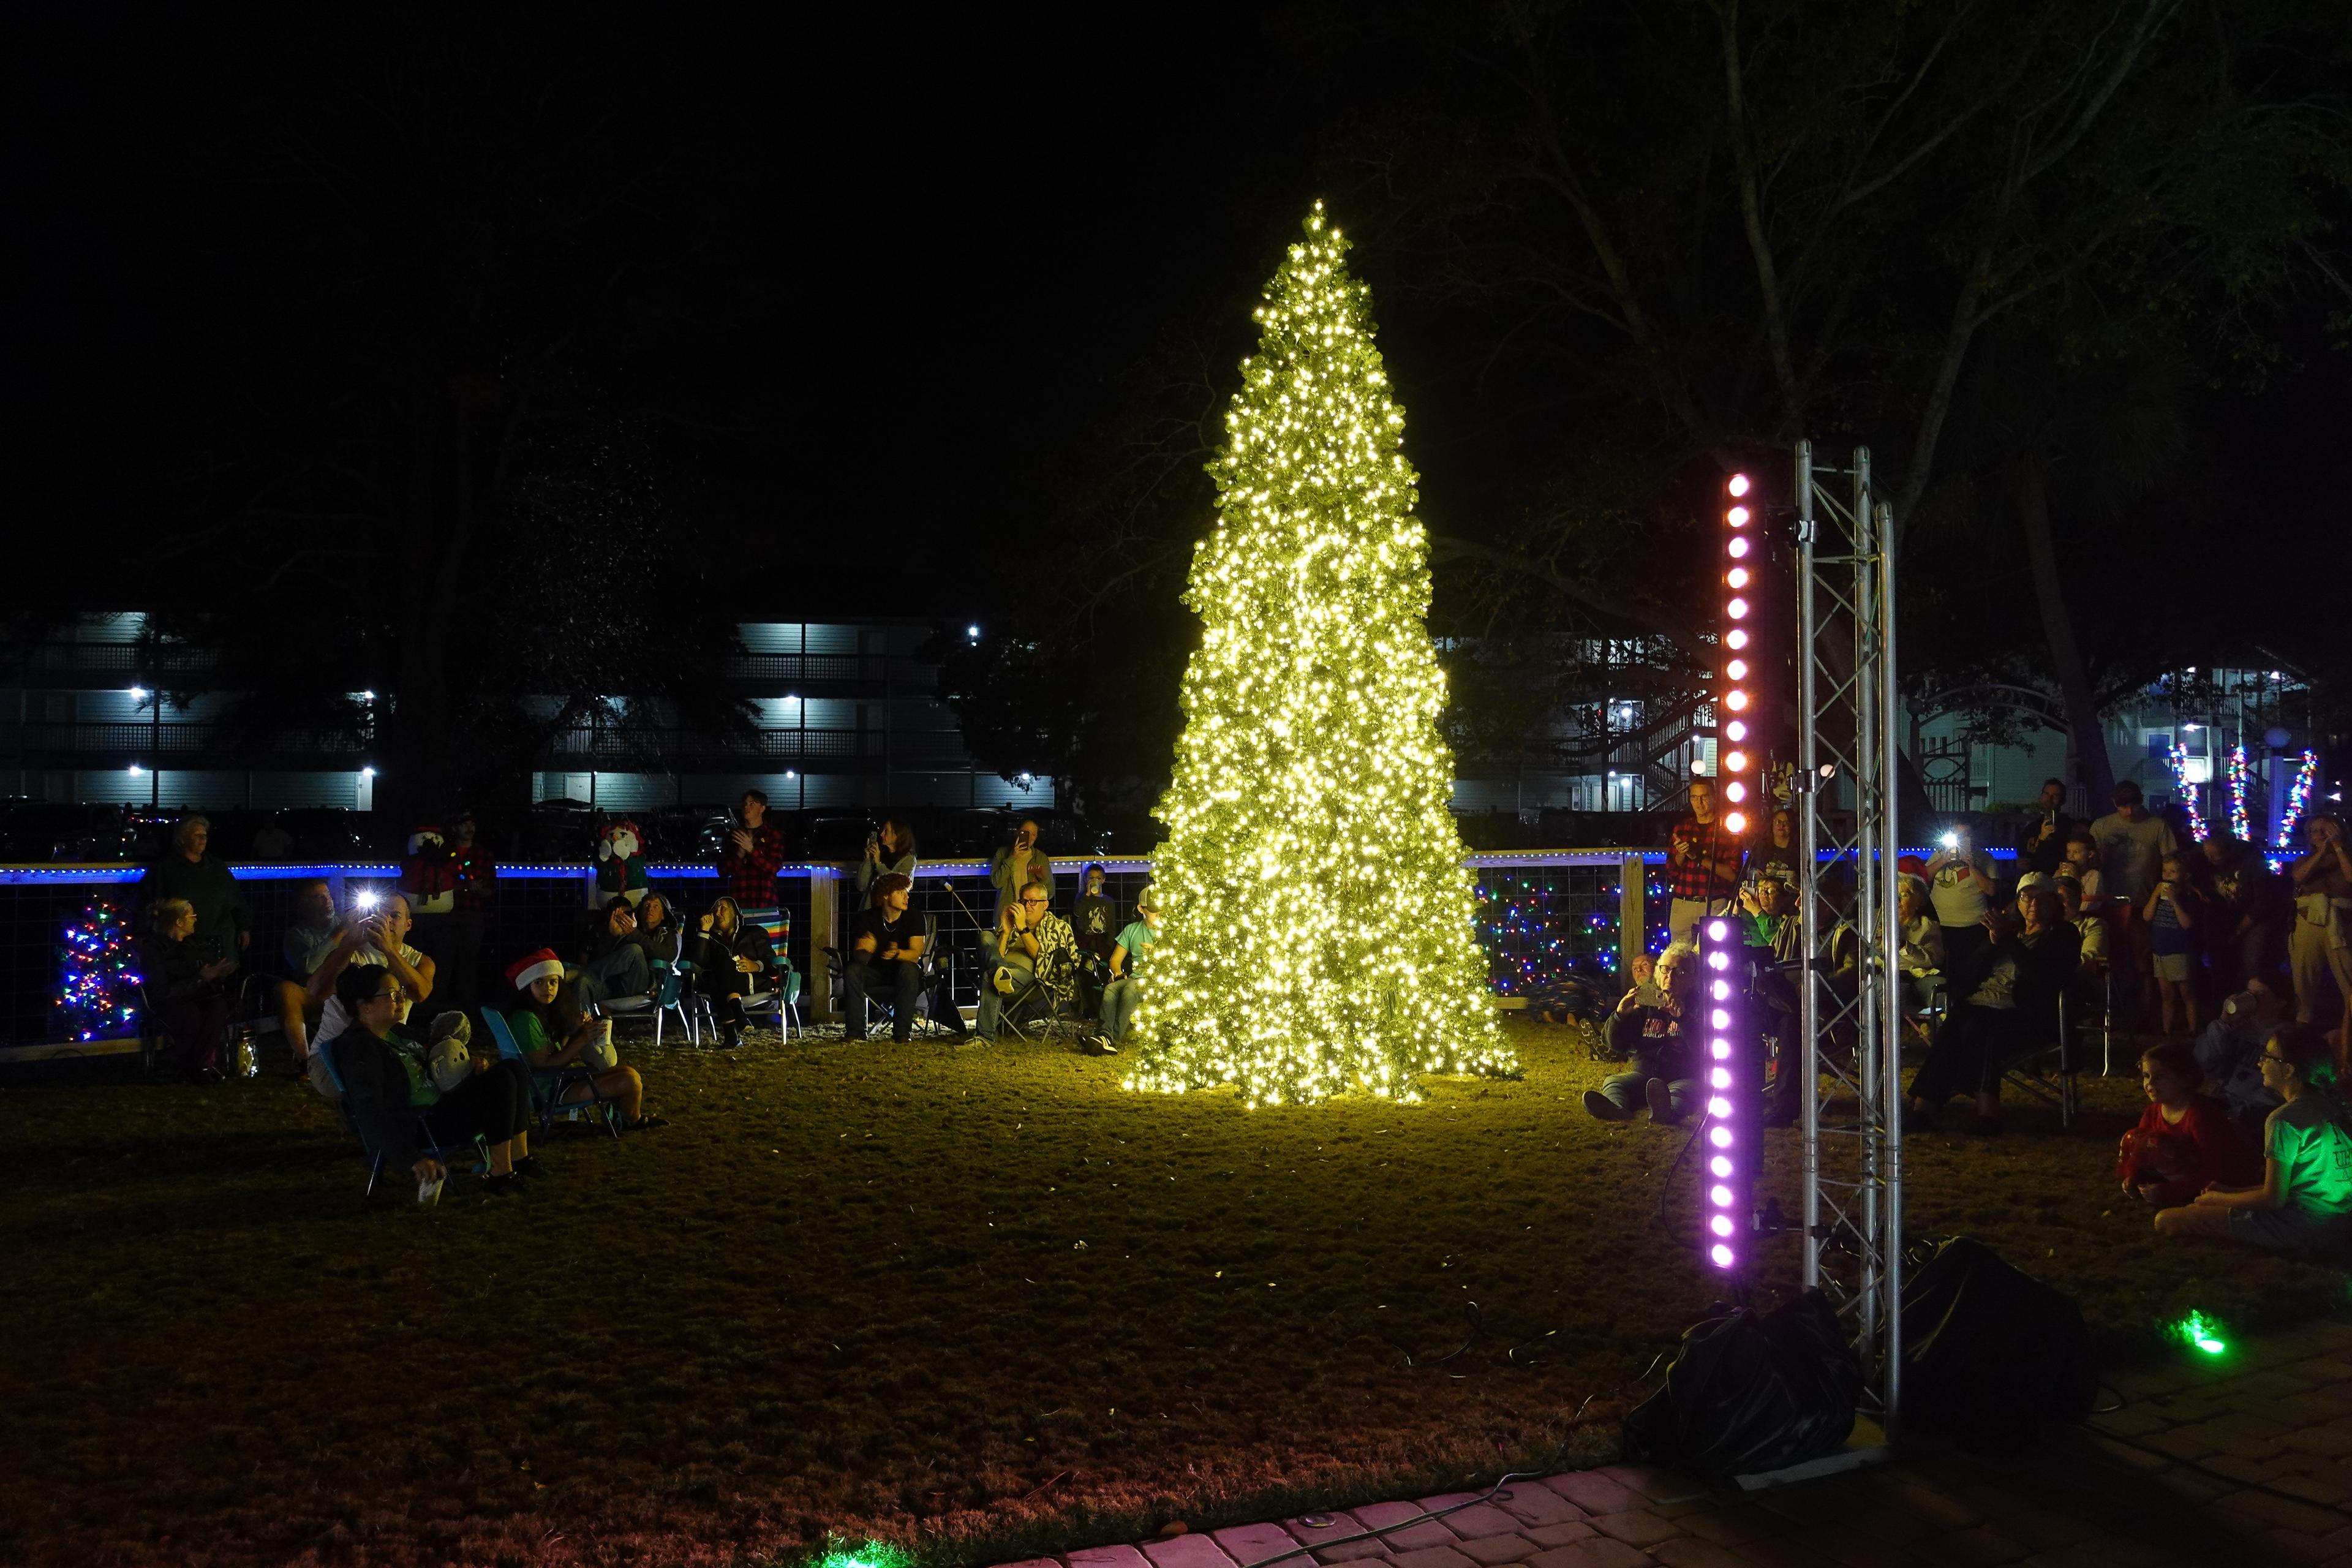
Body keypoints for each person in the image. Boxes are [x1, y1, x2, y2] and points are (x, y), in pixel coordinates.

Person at [315, 965, 537, 1192]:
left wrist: (468, 1064)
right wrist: (411, 1158)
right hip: (420, 1125)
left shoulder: (396, 1033)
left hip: (440, 1106)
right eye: (392, 995)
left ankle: (520, 1160)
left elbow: (434, 1059)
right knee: (501, 1082)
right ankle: (501, 1174)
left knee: (512, 1068)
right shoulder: (360, 1050)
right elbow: (368, 1109)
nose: (402, 998)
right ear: (365, 1006)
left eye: (400, 990)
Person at [2153, 1025, 2352, 1251]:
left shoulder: (2284, 1121)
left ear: (2288, 1070)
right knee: (2200, 1205)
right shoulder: (2334, 1107)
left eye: (2267, 1057)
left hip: (2299, 1227)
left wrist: (2220, 1199)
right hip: (2340, 1222)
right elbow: (2291, 1187)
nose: (2260, 1063)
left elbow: (2273, 1199)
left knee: (2168, 1219)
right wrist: (2231, 1192)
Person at [1905, 884, 2079, 1134]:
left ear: (2055, 904)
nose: (2033, 903)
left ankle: (1988, 1113)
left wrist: (2008, 940)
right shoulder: (2009, 931)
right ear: (2017, 902)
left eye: (2041, 898)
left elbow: (2042, 977)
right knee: (1957, 1022)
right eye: (2026, 897)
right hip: (1982, 1006)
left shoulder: (2063, 935)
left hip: (2029, 1014)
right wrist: (1993, 942)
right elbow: (1968, 973)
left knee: (1978, 1026)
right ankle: (1924, 1109)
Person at [504, 949, 665, 1129]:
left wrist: (574, 1031)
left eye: (553, 982)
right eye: (539, 982)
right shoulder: (525, 1020)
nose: (548, 988)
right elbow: (544, 1065)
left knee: (629, 1072)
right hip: (549, 1091)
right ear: (526, 986)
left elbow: (556, 1053)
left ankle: (623, 1117)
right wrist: (582, 1038)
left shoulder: (537, 1013)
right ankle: (631, 1120)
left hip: (556, 1081)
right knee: (630, 1082)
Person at [306, 893, 435, 1097]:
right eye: (381, 914)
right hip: (332, 1057)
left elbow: (420, 993)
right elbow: (315, 992)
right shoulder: (351, 953)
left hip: (384, 1055)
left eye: (395, 916)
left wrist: (389, 951)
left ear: (408, 925)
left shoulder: (420, 961)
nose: (387, 921)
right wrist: (349, 943)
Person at [2117, 1042, 2262, 1209]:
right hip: (2183, 1173)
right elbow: (2141, 1150)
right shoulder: (2153, 1111)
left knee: (2158, 1144)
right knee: (2135, 1137)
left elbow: (2214, 1168)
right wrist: (2133, 1176)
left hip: (2219, 1181)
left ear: (2185, 1080)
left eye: (2160, 1077)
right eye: (2146, 1076)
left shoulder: (2200, 1116)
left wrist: (2170, 1191)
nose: (2150, 1083)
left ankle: (2185, 1195)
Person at [2091, 780, 2179, 1016]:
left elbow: (2172, 863)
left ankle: (2144, 1011)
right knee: (2112, 959)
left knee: (2144, 962)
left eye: (2134, 805)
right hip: (2110, 903)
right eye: (2123, 806)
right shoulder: (2102, 827)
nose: (2129, 811)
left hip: (2144, 904)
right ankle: (2113, 1010)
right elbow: (2091, 861)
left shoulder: (2157, 826)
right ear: (2115, 804)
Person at [1586, 941, 1699, 1123]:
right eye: (1665, 969)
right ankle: (1617, 1108)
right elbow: (1614, 1044)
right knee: (1613, 1082)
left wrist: (1683, 1019)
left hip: (1682, 1076)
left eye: (1679, 972)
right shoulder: (1647, 1003)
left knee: (1685, 1091)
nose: (1670, 976)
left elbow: (1706, 1051)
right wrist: (1620, 1015)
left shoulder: (1700, 1007)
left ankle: (1667, 1112)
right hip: (1644, 1075)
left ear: (1693, 980)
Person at [141, 896, 236, 1082]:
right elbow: (161, 990)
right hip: (169, 1001)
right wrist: (201, 979)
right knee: (188, 1011)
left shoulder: (193, 944)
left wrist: (219, 974)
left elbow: (205, 971)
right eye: (192, 915)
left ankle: (196, 1067)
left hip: (197, 995)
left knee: (218, 1006)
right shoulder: (153, 950)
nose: (196, 919)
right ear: (179, 922)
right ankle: (196, 1068)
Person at [138, 815, 251, 969]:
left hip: (221, 940)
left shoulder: (217, 867)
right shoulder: (165, 869)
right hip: (184, 947)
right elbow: (152, 904)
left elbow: (236, 899)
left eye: (204, 835)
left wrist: (244, 927)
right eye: (197, 835)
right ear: (182, 839)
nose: (203, 839)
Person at [976, 879, 1076, 1042]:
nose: (1027, 905)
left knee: (991, 976)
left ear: (1045, 905)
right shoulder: (1011, 924)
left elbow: (1046, 962)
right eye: (1023, 901)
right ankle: (1000, 972)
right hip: (1005, 976)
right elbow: (996, 955)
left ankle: (984, 1038)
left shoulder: (1059, 927)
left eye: (1033, 901)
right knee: (985, 937)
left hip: (1032, 982)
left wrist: (1023, 928)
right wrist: (1007, 931)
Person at [2195, 978, 2290, 1134]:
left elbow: (2277, 1092)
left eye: (2261, 995)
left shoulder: (2284, 1039)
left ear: (2280, 1003)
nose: (2253, 1000)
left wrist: (2237, 1113)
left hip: (2252, 1113)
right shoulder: (2238, 1030)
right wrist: (2224, 1023)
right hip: (2223, 1100)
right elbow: (2204, 1063)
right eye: (2249, 993)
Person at [2204, 827, 2286, 1000]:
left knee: (2251, 962)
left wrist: (2240, 930)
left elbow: (2263, 903)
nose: (2210, 861)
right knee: (2223, 962)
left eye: (2214, 857)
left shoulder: (2252, 862)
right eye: (2207, 855)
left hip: (2256, 916)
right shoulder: (2207, 859)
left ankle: (2252, 1003)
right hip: (2227, 916)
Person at [843, 872, 927, 1042]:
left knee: (910, 969)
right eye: (900, 892)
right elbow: (860, 958)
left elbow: (916, 955)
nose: (906, 896)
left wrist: (897, 954)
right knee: (852, 970)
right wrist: (868, 950)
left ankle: (902, 1033)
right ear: (886, 895)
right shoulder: (867, 918)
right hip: (875, 973)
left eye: (907, 891)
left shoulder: (914, 917)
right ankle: (856, 1032)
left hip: (903, 974)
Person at [2288, 813, 2352, 1027]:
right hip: (2309, 922)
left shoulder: (2348, 857)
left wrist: (2339, 848)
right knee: (2303, 976)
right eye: (2315, 831)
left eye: (2325, 830)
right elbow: (2299, 877)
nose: (2320, 835)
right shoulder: (2304, 860)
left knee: (2348, 975)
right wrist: (2321, 853)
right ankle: (2303, 1022)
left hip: (2341, 923)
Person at [687, 895, 775, 1050]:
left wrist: (756, 965)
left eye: (723, 908)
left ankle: (731, 1035)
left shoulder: (754, 932)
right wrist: (704, 931)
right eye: (715, 909)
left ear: (736, 914)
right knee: (715, 973)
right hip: (722, 983)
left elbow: (772, 963)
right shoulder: (710, 939)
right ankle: (739, 1015)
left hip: (751, 981)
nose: (717, 912)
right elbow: (698, 962)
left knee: (717, 974)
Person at [274, 877, 343, 1071]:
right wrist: (338, 935)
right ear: (304, 905)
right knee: (285, 991)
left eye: (327, 895)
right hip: (315, 993)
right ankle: (305, 1061)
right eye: (318, 897)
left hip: (346, 990)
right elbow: (309, 967)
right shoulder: (296, 935)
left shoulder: (345, 923)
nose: (327, 901)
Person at [1665, 780, 1744, 945]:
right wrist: (1681, 854)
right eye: (1694, 797)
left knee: (1715, 956)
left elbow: (1733, 875)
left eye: (1704, 797)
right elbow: (1672, 871)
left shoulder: (1728, 829)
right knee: (1679, 959)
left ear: (1714, 797)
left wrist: (1699, 858)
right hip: (1683, 903)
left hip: (1714, 903)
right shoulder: (1682, 828)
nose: (1699, 803)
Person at [1923, 820, 2001, 981]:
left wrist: (1972, 866)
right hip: (1941, 925)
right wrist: (1944, 860)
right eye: (1959, 835)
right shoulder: (1940, 854)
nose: (1963, 838)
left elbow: (1991, 890)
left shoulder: (1985, 858)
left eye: (1967, 835)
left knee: (1970, 971)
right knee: (1943, 969)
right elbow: (1924, 878)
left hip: (1972, 926)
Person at [1092, 887, 1161, 1050]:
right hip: (1135, 977)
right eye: (1153, 910)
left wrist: (1156, 953)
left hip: (1156, 980)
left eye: (1161, 909)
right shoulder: (1132, 930)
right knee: (1110, 989)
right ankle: (1104, 1034)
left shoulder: (1170, 931)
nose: (1159, 914)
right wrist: (1117, 973)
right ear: (1141, 909)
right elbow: (1115, 959)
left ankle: (1114, 1039)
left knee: (1131, 988)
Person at [2144, 854, 2205, 1036]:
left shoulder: (2188, 896)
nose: (2168, 875)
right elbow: (2147, 916)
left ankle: (2193, 1029)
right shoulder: (2159, 892)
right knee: (2166, 995)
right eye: (2165, 871)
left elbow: (2187, 924)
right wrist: (2155, 896)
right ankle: (2167, 1030)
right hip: (2161, 950)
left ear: (2185, 875)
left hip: (2180, 951)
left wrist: (2174, 901)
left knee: (2187, 992)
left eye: (2173, 872)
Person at [443, 809, 497, 1012]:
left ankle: (468, 1008)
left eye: (472, 823)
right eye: (465, 823)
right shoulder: (445, 853)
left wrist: (478, 889)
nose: (470, 827)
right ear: (455, 827)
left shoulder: (483, 855)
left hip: (474, 914)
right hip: (447, 914)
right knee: (445, 961)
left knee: (469, 962)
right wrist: (463, 886)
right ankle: (440, 1006)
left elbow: (490, 889)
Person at [576, 896, 653, 1009]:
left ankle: (579, 973)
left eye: (626, 914)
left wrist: (633, 933)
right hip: (610, 986)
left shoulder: (639, 930)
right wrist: (610, 937)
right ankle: (583, 1024)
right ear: (610, 915)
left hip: (635, 984)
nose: (623, 919)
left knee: (634, 950)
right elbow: (586, 960)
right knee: (583, 982)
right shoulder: (598, 932)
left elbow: (647, 956)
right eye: (618, 915)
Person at [717, 790, 787, 910]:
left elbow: (774, 867)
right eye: (744, 803)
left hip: (764, 901)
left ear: (762, 808)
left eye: (752, 804)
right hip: (739, 902)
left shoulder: (773, 835)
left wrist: (751, 850)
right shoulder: (733, 836)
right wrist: (739, 854)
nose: (746, 807)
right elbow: (723, 871)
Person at [1896, 873, 1945, 1015]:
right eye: (1895, 893)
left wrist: (1903, 946)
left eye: (1905, 894)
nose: (1898, 899)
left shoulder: (1927, 926)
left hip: (1918, 975)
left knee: (1940, 989)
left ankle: (1935, 1032)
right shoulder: (1878, 924)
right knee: (1892, 989)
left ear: (1919, 901)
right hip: (1887, 976)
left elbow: (1933, 960)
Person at [989, 818, 1054, 918]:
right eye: (1026, 833)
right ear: (1018, 832)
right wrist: (1012, 857)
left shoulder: (1040, 858)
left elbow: (1050, 894)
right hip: (1008, 914)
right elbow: (997, 883)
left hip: (1031, 917)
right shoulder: (1002, 853)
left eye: (1034, 834)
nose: (1030, 838)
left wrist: (1043, 878)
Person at [2018, 778, 2075, 878]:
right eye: (2046, 794)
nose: (2050, 798)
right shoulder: (2031, 828)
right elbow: (2024, 856)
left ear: (2063, 800)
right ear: (2041, 796)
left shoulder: (2070, 827)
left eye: (2055, 796)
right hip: (2035, 881)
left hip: (2060, 880)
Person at [852, 816, 919, 901]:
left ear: (897, 834)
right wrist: (868, 859)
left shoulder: (909, 859)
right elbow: (861, 885)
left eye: (886, 831)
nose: (881, 834)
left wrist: (879, 864)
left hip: (891, 911)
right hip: (871, 909)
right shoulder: (880, 854)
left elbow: (898, 886)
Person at [1071, 862, 1118, 963]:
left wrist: (1110, 944)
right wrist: (1087, 895)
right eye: (1091, 878)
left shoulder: (1109, 901)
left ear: (1103, 880)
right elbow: (1077, 913)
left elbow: (1112, 925)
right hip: (1085, 942)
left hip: (1102, 944)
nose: (1095, 881)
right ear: (1085, 880)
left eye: (1098, 878)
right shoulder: (1081, 897)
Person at [1747, 809, 1800, 896]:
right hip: (1763, 897)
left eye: (1786, 823)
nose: (1782, 826)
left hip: (1790, 900)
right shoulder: (1761, 847)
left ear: (1792, 826)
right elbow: (1750, 870)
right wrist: (1755, 873)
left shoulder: (1799, 850)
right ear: (1772, 824)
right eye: (1778, 822)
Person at [627, 889, 683, 968]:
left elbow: (670, 956)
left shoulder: (671, 934)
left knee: (635, 950)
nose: (650, 909)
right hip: (631, 975)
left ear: (663, 914)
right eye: (647, 906)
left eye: (656, 906)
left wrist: (636, 936)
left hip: (657, 977)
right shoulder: (631, 931)